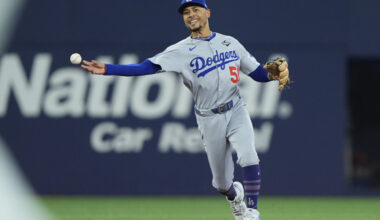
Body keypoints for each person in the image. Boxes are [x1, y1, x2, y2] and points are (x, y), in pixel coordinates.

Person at [81, 0, 290, 219]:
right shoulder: (179, 51)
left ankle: (252, 211)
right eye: (186, 12)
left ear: (207, 13)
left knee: (249, 156)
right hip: (209, 118)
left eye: (196, 10)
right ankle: (234, 195)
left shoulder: (230, 43)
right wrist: (108, 69)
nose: (191, 15)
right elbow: (147, 67)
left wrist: (272, 75)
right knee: (221, 184)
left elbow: (257, 73)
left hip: (236, 108)